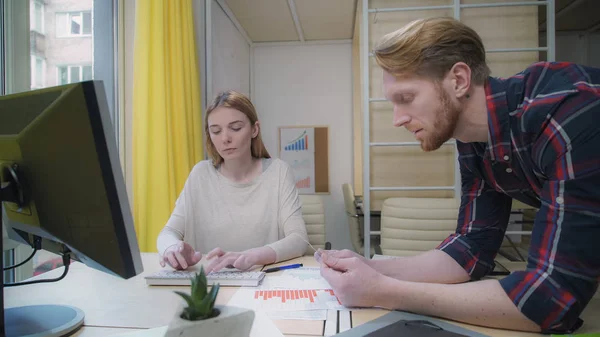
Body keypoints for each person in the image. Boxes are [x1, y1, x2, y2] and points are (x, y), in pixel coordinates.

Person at [315, 17, 600, 335]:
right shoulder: (473, 141)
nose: (398, 119)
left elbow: (548, 298)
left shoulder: (567, 111)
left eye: (406, 99)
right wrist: (370, 267)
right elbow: (471, 247)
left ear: (459, 80)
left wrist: (383, 291)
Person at [157, 90, 308, 273]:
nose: (225, 138)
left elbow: (299, 239)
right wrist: (172, 248)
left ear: (254, 129)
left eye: (235, 128)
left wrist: (251, 257)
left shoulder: (278, 172)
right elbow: (167, 233)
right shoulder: (200, 174)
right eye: (216, 131)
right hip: (210, 282)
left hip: (262, 282)